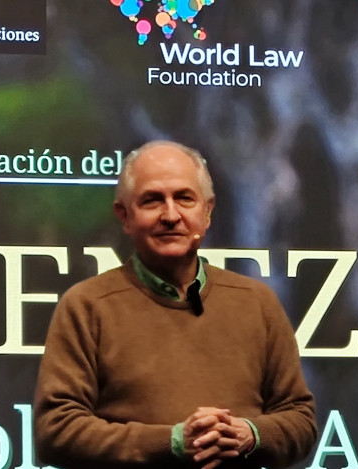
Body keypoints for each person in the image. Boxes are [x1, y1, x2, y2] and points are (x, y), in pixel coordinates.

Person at [33, 140, 316, 469]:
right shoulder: (86, 306)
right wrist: (173, 442)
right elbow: (55, 431)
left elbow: (301, 421)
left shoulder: (257, 302)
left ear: (207, 212)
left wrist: (249, 434)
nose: (170, 215)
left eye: (184, 198)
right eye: (152, 200)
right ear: (124, 216)